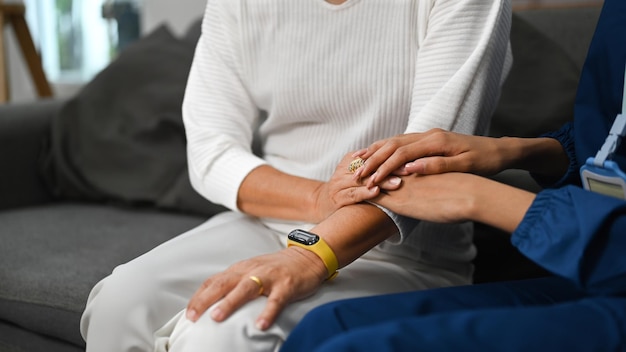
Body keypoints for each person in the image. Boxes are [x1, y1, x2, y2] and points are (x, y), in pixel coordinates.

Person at [79, 0, 513, 351]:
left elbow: (432, 160)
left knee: (223, 331)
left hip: (405, 251)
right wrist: (320, 198)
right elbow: (210, 150)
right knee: (118, 303)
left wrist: (310, 252)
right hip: (270, 223)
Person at [281, 0, 626, 351]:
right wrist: (514, 151)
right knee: (326, 326)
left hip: (611, 262)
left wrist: (478, 198)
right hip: (590, 271)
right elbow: (607, 143)